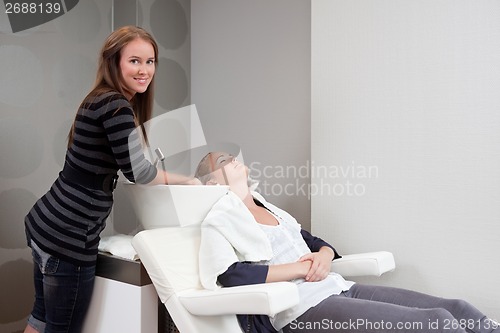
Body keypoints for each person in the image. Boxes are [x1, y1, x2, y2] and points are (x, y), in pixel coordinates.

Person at [195, 152, 499, 333]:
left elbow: (315, 242)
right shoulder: (220, 218)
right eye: (223, 160)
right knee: (435, 322)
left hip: (339, 286)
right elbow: (230, 274)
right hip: (301, 309)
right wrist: (300, 270)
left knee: (455, 308)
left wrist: (324, 257)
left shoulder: (270, 208)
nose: (233, 158)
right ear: (212, 184)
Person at [23, 26, 200, 333]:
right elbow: (139, 172)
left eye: (150, 61)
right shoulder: (116, 106)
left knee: (40, 319)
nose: (144, 70)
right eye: (134, 61)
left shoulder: (99, 99)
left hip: (46, 225)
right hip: (68, 237)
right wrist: (188, 180)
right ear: (114, 61)